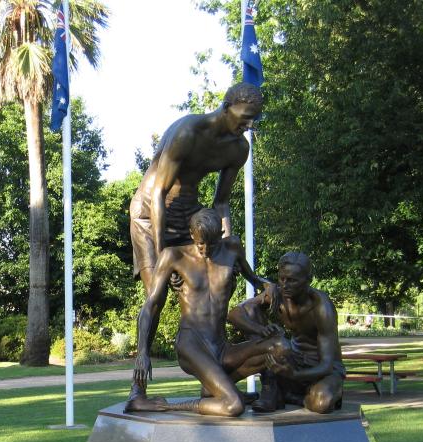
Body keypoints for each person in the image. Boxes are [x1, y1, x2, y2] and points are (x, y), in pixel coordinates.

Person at [127, 208, 285, 417]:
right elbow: (151, 305)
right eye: (201, 243)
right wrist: (142, 352)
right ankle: (169, 406)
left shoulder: (232, 248)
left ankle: (216, 387)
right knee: (233, 405)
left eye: (212, 243)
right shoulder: (174, 256)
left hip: (221, 346)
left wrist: (268, 285)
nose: (206, 249)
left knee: (281, 346)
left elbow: (254, 279)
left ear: (221, 235)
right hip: (192, 344)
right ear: (192, 234)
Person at [129, 82, 263, 294]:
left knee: (215, 284)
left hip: (189, 215)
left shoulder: (238, 149)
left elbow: (221, 202)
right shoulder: (188, 133)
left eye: (254, 118)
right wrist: (164, 255)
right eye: (246, 116)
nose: (249, 124)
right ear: (227, 107)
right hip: (150, 212)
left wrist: (227, 249)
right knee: (157, 291)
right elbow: (158, 193)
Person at [227, 252, 345, 414]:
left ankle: (291, 396)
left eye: (292, 280)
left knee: (321, 403)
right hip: (293, 360)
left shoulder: (321, 307)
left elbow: (326, 365)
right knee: (251, 309)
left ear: (308, 280)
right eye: (281, 279)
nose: (284, 285)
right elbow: (234, 314)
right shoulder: (278, 294)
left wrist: (294, 374)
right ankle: (270, 383)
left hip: (321, 370)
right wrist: (260, 329)